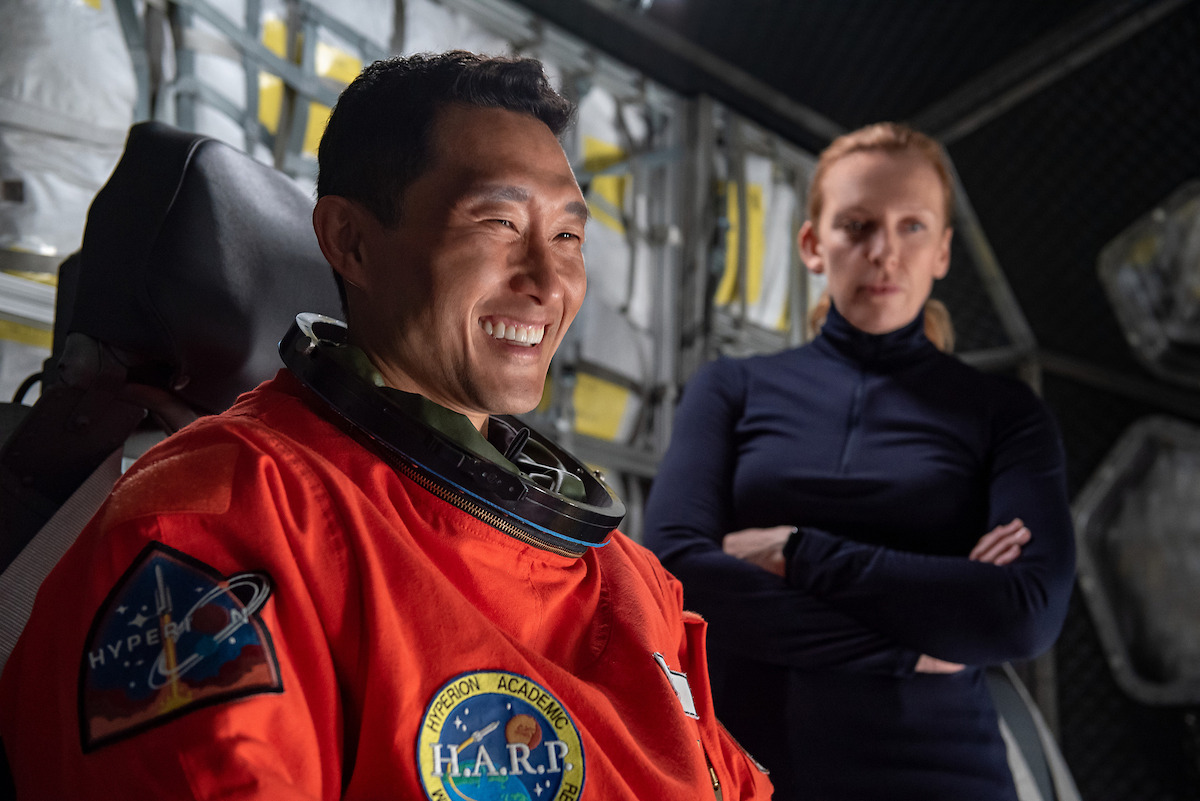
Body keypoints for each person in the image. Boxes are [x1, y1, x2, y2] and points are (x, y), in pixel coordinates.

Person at [0, 52, 772, 800]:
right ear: (351, 242)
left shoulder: (630, 577)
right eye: (499, 222)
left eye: (568, 236)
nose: (549, 280)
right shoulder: (218, 522)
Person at [644, 121, 1075, 801]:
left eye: (912, 227)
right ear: (814, 244)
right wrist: (912, 641)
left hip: (941, 773)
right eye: (858, 224)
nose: (884, 252)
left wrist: (797, 550)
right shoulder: (731, 386)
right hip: (734, 764)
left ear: (942, 252)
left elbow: (1021, 612)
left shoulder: (1003, 412)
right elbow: (673, 577)